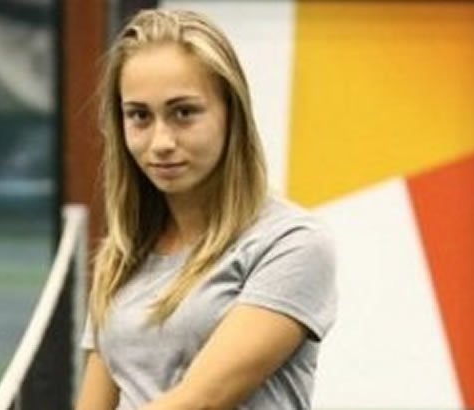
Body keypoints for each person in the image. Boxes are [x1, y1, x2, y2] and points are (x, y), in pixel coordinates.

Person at [75, 8, 336, 410]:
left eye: (184, 113)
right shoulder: (122, 254)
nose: (161, 142)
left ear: (232, 113)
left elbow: (200, 401)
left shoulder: (292, 244)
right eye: (139, 116)